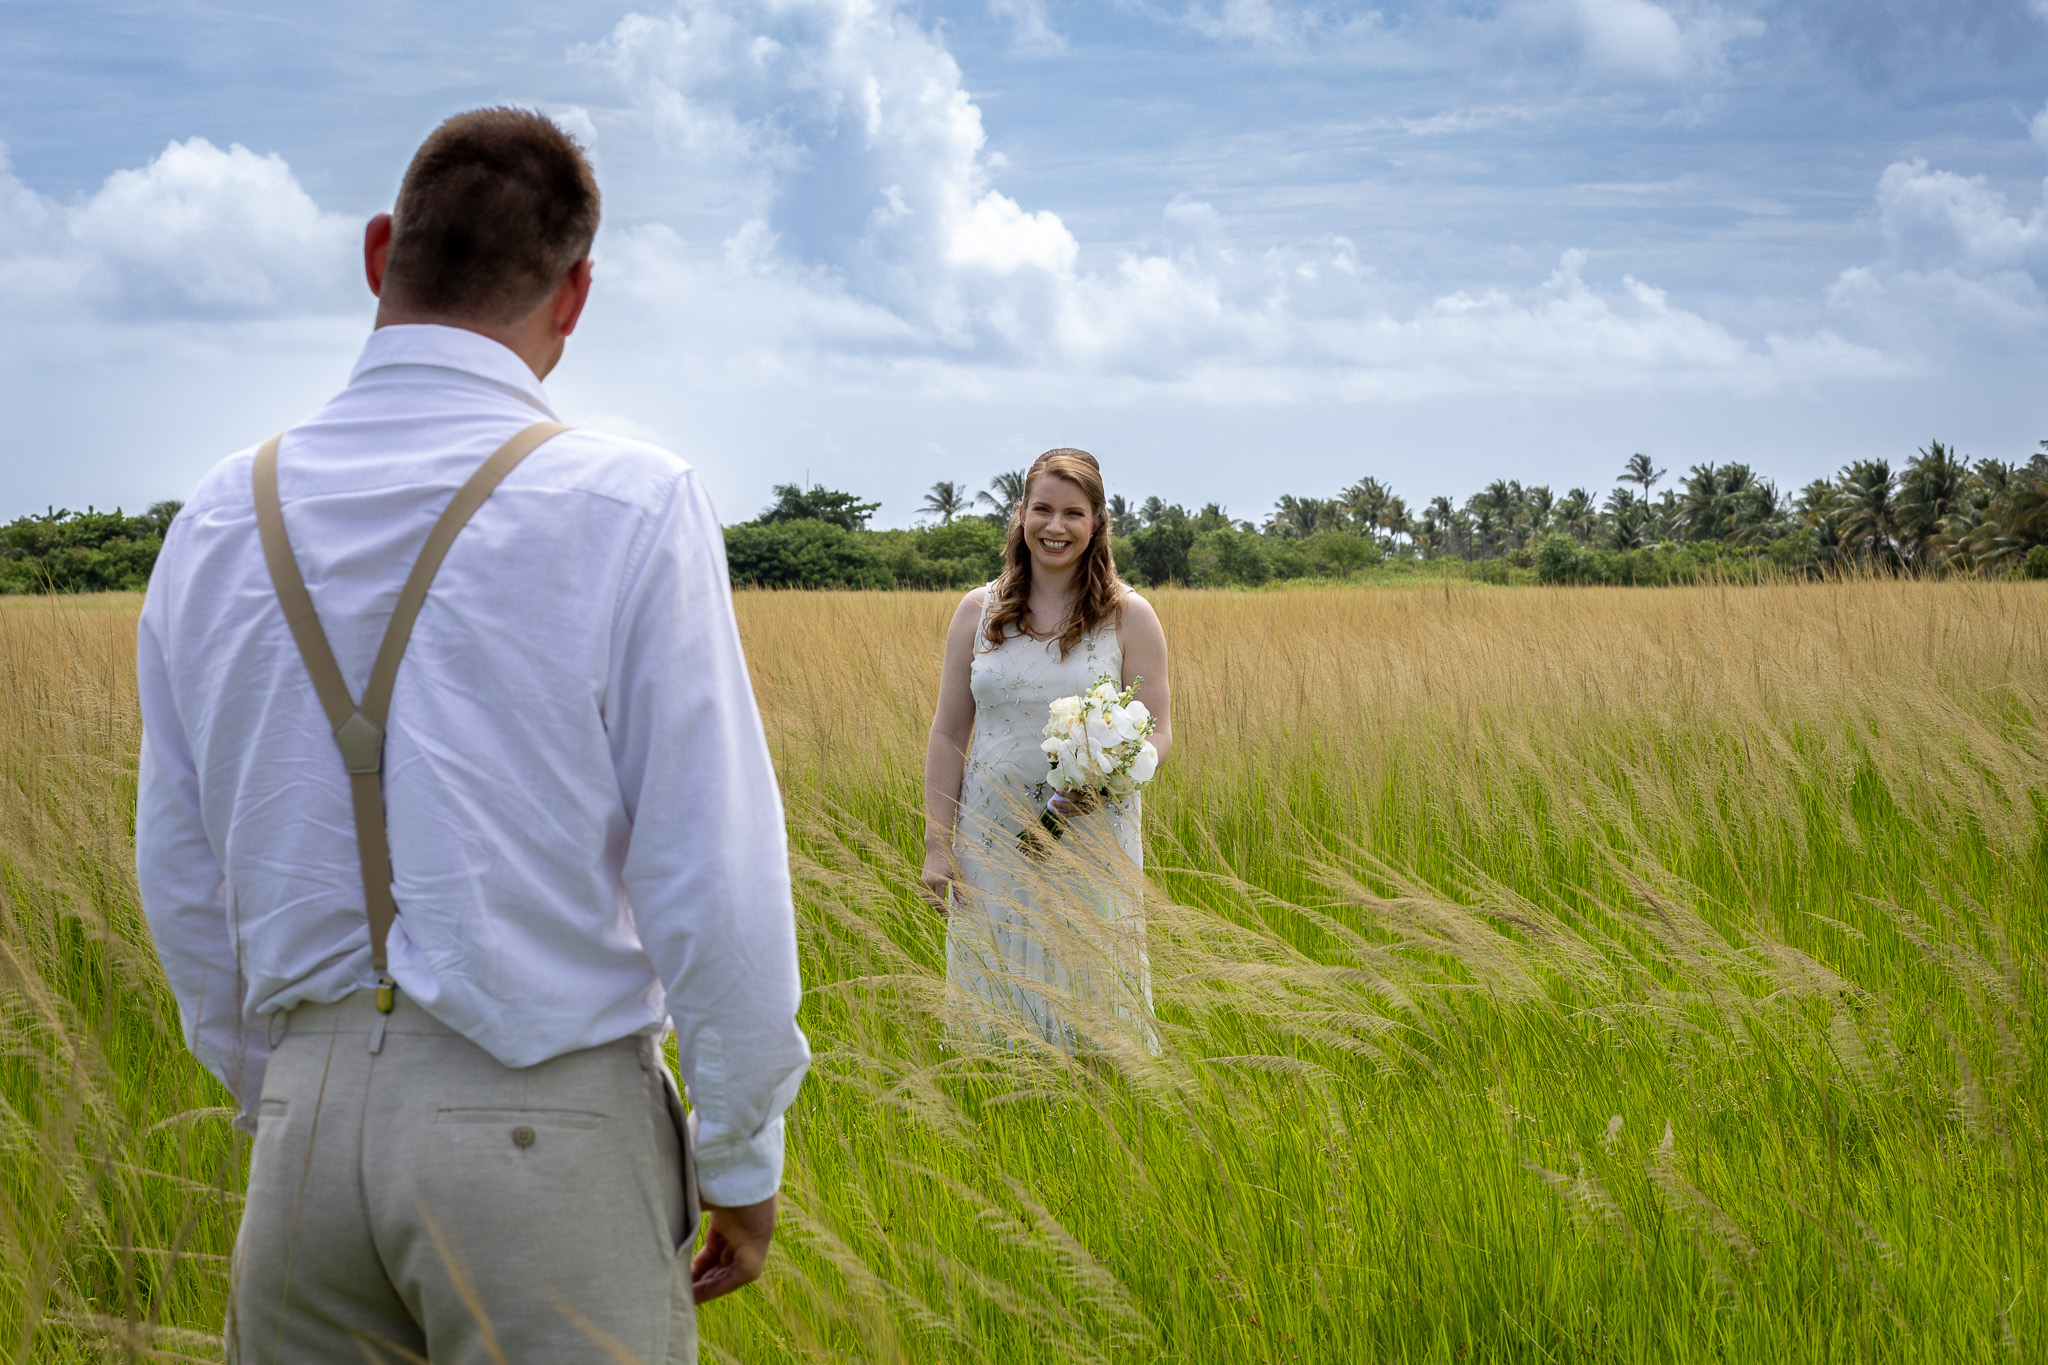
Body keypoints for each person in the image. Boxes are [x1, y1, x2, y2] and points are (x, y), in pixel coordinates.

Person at [134, 108, 809, 1364]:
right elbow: (711, 875)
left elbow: (179, 876)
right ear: (577, 294)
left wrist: (279, 1094)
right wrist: (739, 1149)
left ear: (382, 249)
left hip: (302, 1139)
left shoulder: (216, 522)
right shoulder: (629, 500)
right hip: (542, 1130)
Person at [920, 448, 1172, 1047]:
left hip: (1091, 834)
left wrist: (1107, 776)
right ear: (1021, 516)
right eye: (1042, 510)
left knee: (1090, 999)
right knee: (997, 1002)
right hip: (991, 835)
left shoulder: (1129, 616)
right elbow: (949, 731)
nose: (1055, 527)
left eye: (1073, 514)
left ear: (1096, 523)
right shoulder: (976, 613)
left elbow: (1158, 730)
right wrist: (937, 844)